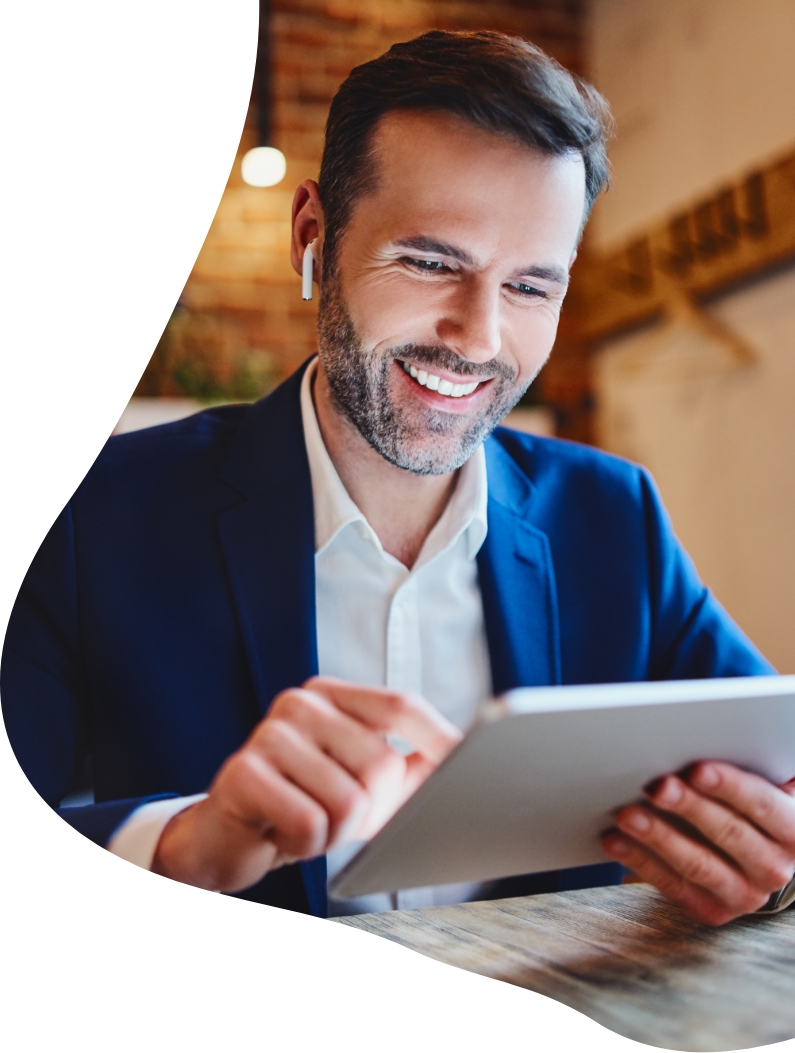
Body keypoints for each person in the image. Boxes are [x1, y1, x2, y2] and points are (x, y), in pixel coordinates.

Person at [3, 31, 794, 924]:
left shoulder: (615, 517)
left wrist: (773, 869)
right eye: (428, 262)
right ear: (312, 234)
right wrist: (183, 843)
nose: (478, 338)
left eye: (531, 286)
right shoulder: (86, 510)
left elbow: (774, 781)